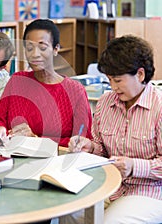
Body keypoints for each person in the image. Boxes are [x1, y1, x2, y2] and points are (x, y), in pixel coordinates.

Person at [68, 35, 162, 223]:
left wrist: (135, 166)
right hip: (110, 186)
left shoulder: (159, 107)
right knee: (67, 209)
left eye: (118, 80)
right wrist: (90, 147)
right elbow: (101, 147)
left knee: (110, 222)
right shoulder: (105, 102)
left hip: (150, 191)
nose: (113, 87)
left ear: (140, 75)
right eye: (109, 80)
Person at [0, 19, 92, 147]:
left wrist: (35, 139)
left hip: (58, 161)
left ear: (55, 49)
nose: (35, 54)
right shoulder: (17, 81)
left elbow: (82, 142)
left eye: (42, 47)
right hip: (14, 156)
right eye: (30, 48)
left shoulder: (76, 91)